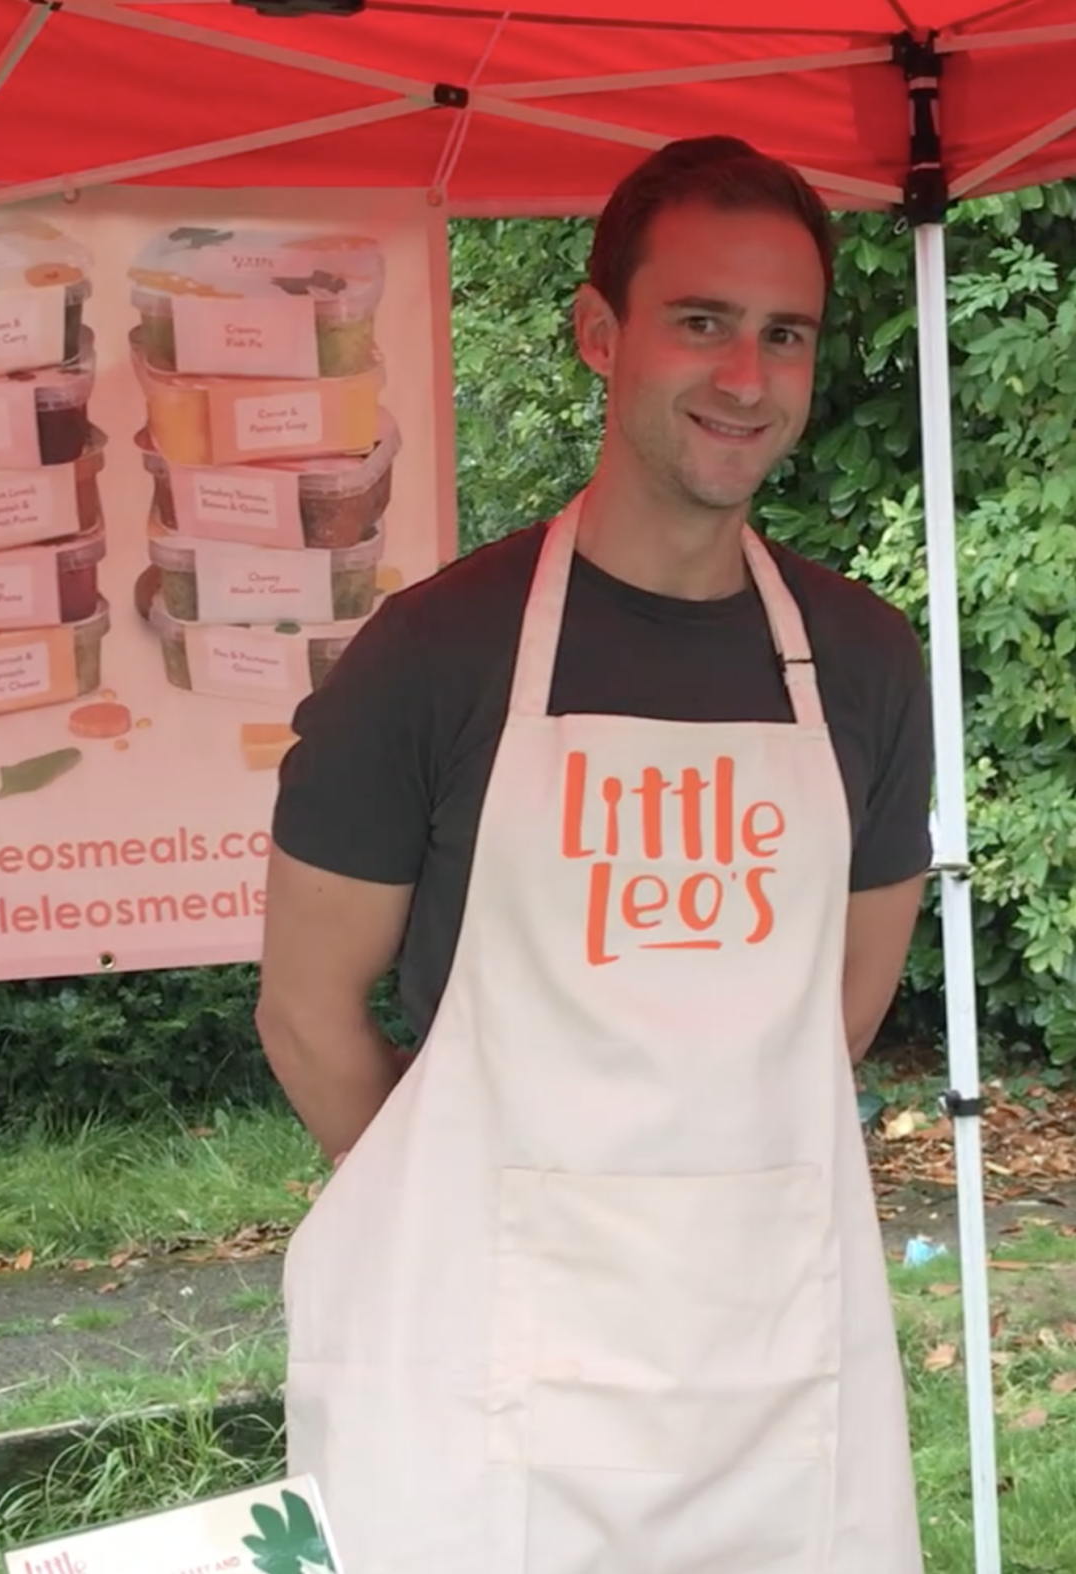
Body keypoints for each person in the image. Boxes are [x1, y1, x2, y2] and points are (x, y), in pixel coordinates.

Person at [257, 136, 933, 1571]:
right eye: (701, 321)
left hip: (772, 1374)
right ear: (598, 332)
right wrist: (456, 1220)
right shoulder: (432, 656)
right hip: (485, 1377)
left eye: (784, 333)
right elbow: (308, 1008)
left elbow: (846, 1011)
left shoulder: (869, 666)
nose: (744, 376)